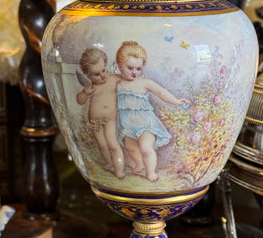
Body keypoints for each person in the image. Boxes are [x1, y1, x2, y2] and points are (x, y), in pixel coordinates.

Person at [115, 41, 189, 182]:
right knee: (131, 148)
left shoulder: (144, 82)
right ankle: (140, 163)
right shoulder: (117, 83)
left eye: (138, 68)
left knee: (146, 148)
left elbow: (161, 92)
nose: (134, 72)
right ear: (120, 67)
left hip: (146, 123)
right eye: (130, 68)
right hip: (126, 125)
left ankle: (150, 172)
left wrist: (176, 101)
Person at [76, 47, 125, 179]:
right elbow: (80, 100)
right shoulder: (90, 87)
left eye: (103, 70)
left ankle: (119, 169)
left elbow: (126, 79)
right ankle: (109, 162)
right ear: (88, 75)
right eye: (96, 74)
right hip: (95, 121)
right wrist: (85, 93)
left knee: (113, 144)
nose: (103, 75)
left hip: (109, 119)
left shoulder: (113, 79)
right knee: (102, 145)